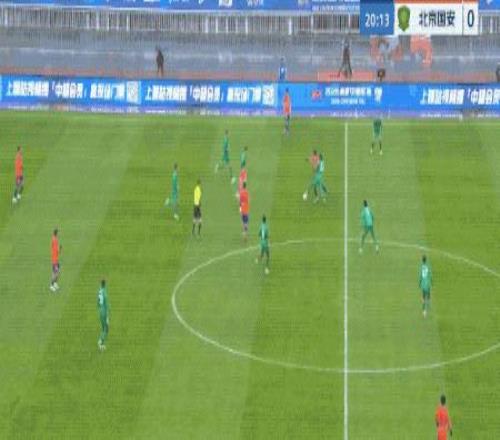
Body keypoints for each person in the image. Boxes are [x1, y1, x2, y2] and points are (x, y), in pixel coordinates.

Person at [97, 279, 110, 351]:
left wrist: (99, 309)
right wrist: (107, 316)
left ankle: (102, 344)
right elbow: (107, 305)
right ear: (105, 284)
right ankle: (100, 342)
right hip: (104, 312)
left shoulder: (99, 291)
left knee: (103, 328)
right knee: (106, 328)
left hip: (100, 311)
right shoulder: (104, 292)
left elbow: (98, 302)